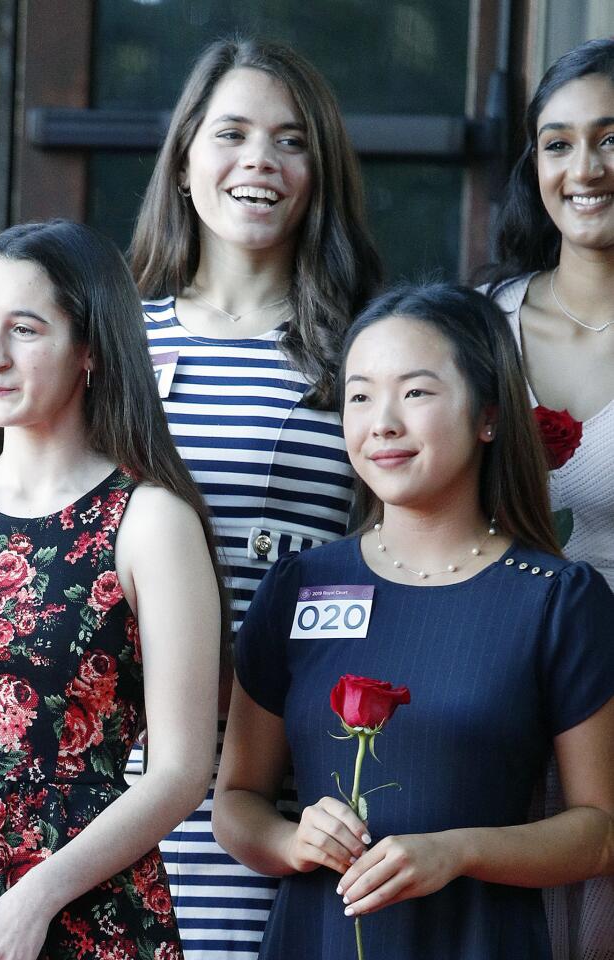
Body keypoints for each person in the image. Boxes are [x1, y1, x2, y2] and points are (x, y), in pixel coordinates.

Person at [213, 283, 614, 960]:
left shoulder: (557, 597)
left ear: (488, 414)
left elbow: (599, 832)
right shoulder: (302, 585)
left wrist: (458, 852)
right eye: (360, 396)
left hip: (481, 940)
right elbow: (238, 803)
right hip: (317, 939)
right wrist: (291, 840)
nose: (383, 422)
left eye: (417, 392)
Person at [129, 36, 382, 960]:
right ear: (186, 155)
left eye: (291, 141)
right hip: (118, 774)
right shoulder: (110, 341)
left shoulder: (367, 352)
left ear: (319, 172)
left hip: (293, 782)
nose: (259, 163)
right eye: (232, 133)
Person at [0, 220, 223, 960]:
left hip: (87, 903)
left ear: (90, 348)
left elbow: (183, 773)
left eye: (24, 330)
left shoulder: (150, 519)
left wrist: (32, 902)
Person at [483, 37, 614, 957]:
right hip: (505, 693)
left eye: (611, 138)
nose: (586, 168)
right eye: (559, 144)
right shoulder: (475, 327)